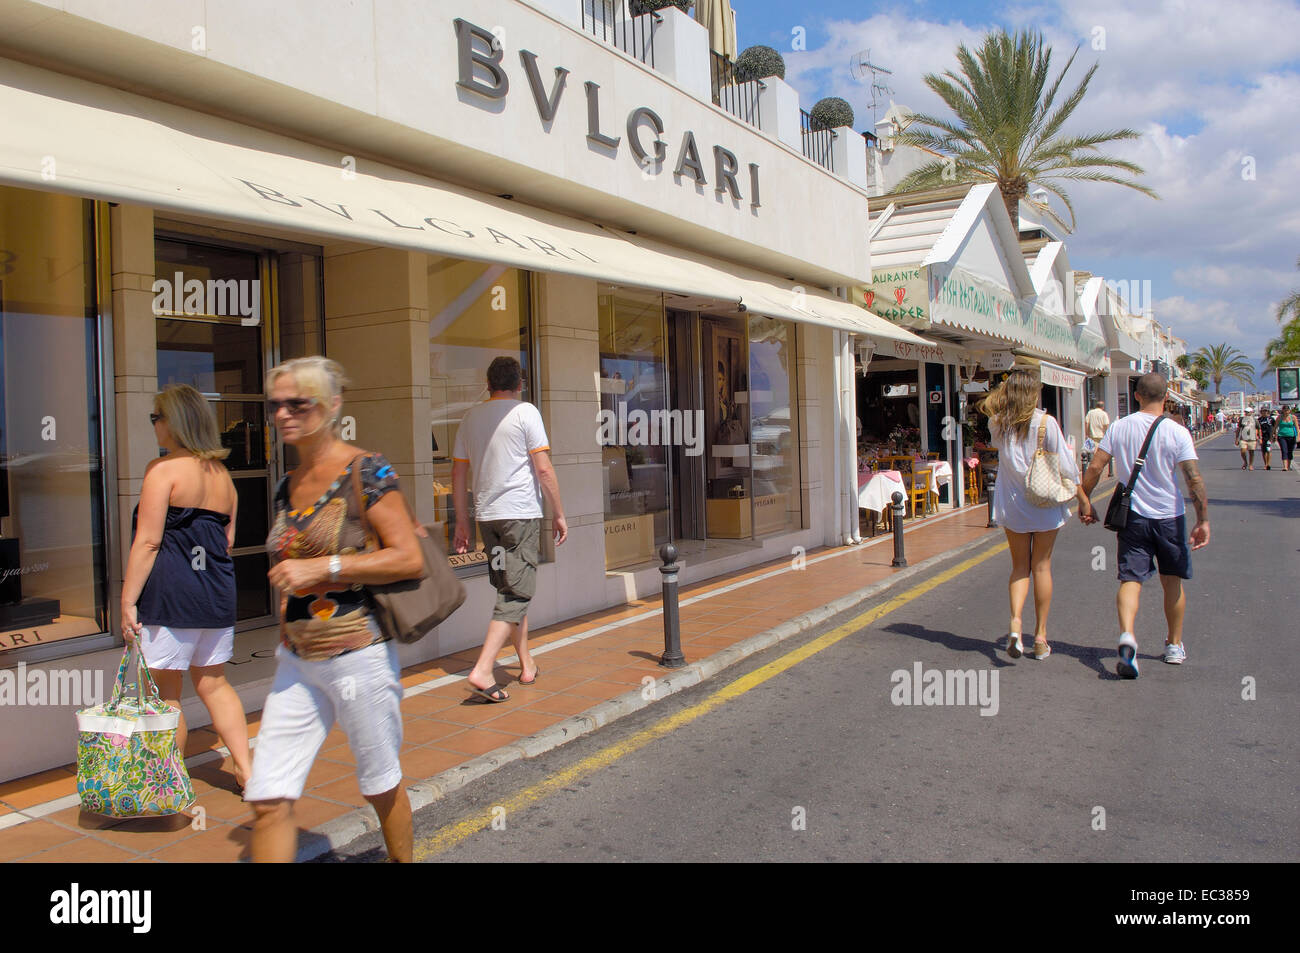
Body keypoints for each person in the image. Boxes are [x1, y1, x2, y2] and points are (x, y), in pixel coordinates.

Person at [246, 357, 423, 863]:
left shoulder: (367, 469)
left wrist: (324, 568)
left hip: (358, 656)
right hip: (297, 661)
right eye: (275, 404)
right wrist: (286, 607)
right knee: (268, 797)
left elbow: (408, 556)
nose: (282, 414)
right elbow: (289, 561)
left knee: (379, 784)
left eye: (297, 403)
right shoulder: (286, 482)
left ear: (332, 405)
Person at [121, 384, 252, 789]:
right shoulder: (223, 478)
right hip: (216, 592)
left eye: (155, 418)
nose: (154, 427)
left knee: (166, 693)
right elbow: (226, 543)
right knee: (214, 683)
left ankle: (166, 785)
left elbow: (148, 541)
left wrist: (127, 600)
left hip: (172, 594)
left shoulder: (161, 471)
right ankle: (249, 772)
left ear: (173, 422)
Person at [1079, 373, 1209, 678]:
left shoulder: (1119, 427)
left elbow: (1096, 466)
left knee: (1130, 579)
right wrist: (1202, 520)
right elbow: (1193, 479)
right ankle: (1174, 645)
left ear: (1136, 396)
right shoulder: (1177, 432)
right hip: (1169, 517)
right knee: (1172, 580)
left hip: (1132, 516)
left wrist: (1085, 498)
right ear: (1166, 397)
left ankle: (1127, 635)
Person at [453, 357, 567, 702]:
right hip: (519, 517)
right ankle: (484, 668)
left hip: (489, 520)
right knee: (517, 592)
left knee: (508, 588)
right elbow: (544, 470)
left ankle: (525, 662)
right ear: (519, 384)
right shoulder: (525, 412)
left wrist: (462, 522)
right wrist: (559, 513)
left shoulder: (470, 417)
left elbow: (458, 475)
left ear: (488, 385)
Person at [979, 368, 1092, 661]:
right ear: (1034, 393)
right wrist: (1083, 500)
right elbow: (1067, 467)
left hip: (1013, 504)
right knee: (1041, 567)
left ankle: (1015, 624)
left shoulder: (997, 423)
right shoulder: (1046, 423)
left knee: (1019, 568)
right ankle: (1040, 637)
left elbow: (996, 446)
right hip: (1044, 504)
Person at [1085, 399, 1112, 476]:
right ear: (1102, 407)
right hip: (1101, 436)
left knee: (1091, 452)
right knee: (1099, 454)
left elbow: (1086, 423)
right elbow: (1106, 425)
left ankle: (1090, 468)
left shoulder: (1090, 413)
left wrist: (1087, 434)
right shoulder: (1104, 414)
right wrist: (1107, 434)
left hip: (1091, 436)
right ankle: (1095, 470)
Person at [1277, 406, 1297, 471]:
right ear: (1282, 410)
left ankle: (1288, 465)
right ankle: (1285, 466)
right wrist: (1272, 435)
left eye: (1287, 410)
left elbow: (1297, 428)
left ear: (1289, 411)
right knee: (1284, 450)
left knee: (1290, 451)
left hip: (1291, 436)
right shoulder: (1279, 417)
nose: (1286, 411)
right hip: (1281, 436)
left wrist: (1298, 436)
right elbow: (1275, 427)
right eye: (1285, 410)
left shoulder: (1293, 417)